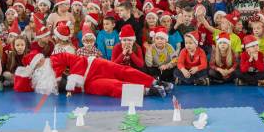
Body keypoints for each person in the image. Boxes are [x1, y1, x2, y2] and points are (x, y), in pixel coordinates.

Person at [24, 50, 169, 98]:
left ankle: (154, 82)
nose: (40, 63)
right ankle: (147, 91)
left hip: (92, 66)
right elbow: (20, 86)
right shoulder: (41, 83)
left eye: (39, 60)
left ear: (41, 58)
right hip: (87, 85)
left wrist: (73, 79)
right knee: (113, 87)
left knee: (122, 71)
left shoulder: (55, 58)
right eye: (36, 64)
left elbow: (75, 59)